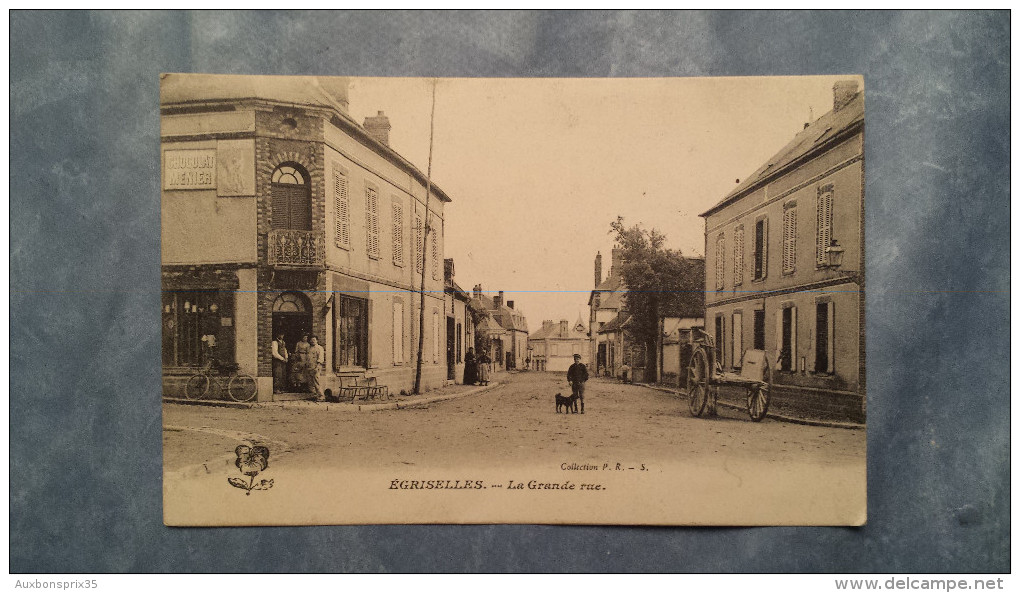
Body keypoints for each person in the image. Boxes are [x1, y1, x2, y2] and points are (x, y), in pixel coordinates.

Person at [307, 336, 326, 401]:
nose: (312, 341)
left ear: (317, 341)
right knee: (310, 382)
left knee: (316, 381)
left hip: (316, 366)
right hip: (310, 367)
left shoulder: (319, 348)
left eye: (314, 340)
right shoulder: (309, 348)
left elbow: (321, 359)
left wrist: (317, 367)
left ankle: (321, 396)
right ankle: (315, 395)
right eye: (311, 340)